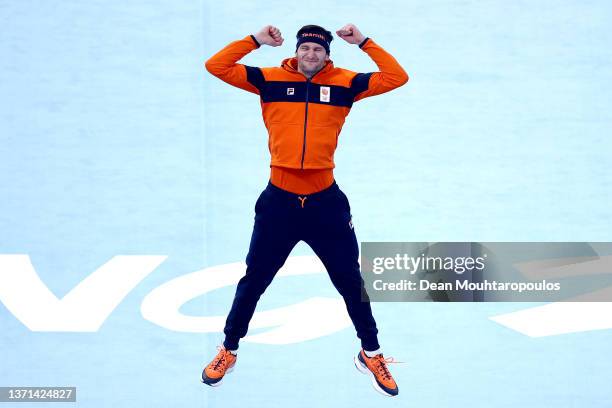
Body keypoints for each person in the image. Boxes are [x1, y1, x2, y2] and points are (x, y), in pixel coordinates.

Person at [201, 23, 408, 397]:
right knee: (254, 282)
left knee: (350, 282)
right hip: (278, 202)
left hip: (325, 204)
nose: (311, 55)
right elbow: (216, 66)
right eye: (305, 49)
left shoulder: (346, 84)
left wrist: (363, 42)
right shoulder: (268, 79)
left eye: (318, 50)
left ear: (328, 55)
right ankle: (228, 350)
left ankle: (371, 353)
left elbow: (396, 76)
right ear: (296, 52)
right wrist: (254, 41)